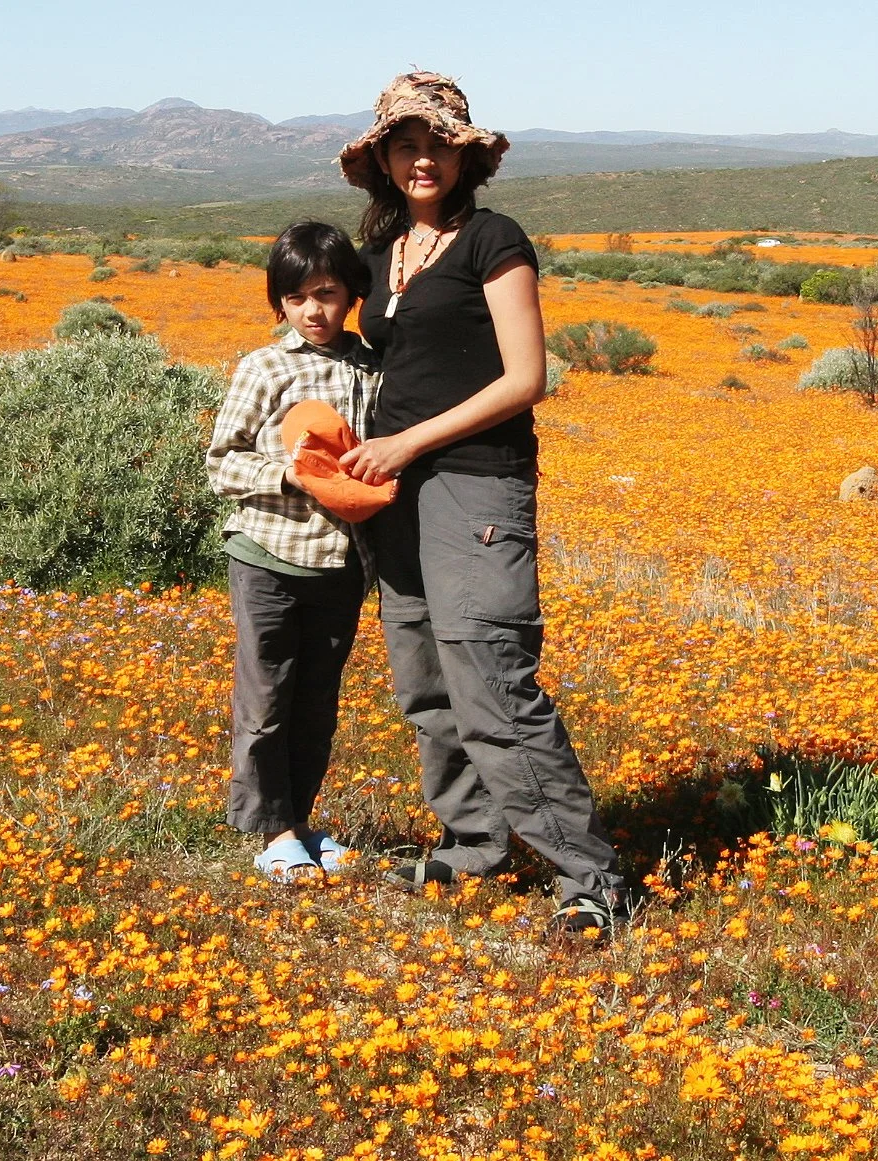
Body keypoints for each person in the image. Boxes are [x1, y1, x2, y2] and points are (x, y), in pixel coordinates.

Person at [334, 71, 628, 936]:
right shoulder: (383, 251)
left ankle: (592, 878)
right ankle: (473, 845)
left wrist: (407, 441)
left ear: (465, 156)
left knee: (492, 678)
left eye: (437, 144)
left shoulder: (491, 240)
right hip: (396, 495)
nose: (421, 159)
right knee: (425, 680)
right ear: (383, 158)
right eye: (405, 144)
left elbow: (525, 378)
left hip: (475, 485)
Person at [206, 221, 379, 883]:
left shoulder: (368, 364)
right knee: (267, 697)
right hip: (268, 556)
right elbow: (223, 461)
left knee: (317, 702)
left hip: (341, 564)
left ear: (351, 295)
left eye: (328, 294)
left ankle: (301, 820)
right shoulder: (264, 367)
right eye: (298, 296)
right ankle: (271, 827)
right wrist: (288, 473)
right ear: (278, 302)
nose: (314, 310)